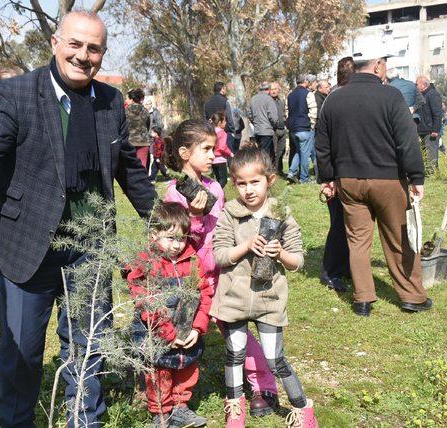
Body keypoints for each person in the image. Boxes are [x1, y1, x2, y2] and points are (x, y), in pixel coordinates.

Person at [0, 10, 156, 427]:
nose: (82, 55)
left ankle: (84, 419)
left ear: (102, 54)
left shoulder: (110, 101)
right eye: (74, 44)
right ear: (55, 43)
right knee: (22, 351)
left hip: (90, 247)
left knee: (88, 345)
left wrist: (160, 218)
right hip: (26, 244)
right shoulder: (18, 93)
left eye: (93, 48)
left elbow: (127, 168)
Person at [163, 119, 280, 418]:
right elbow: (179, 240)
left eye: (214, 148)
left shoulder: (214, 185)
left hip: (224, 268)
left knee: (234, 327)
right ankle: (174, 399)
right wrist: (196, 215)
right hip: (193, 276)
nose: (213, 155)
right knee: (184, 332)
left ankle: (264, 385)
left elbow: (226, 226)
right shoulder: (174, 193)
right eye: (206, 149)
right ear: (185, 153)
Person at [316, 48, 431, 316]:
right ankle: (412, 296)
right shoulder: (391, 95)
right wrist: (416, 176)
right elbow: (407, 140)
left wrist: (327, 178)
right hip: (388, 179)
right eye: (385, 64)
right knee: (398, 238)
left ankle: (363, 299)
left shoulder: (333, 99)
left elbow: (322, 144)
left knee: (357, 240)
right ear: (378, 65)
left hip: (349, 181)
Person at [212, 147, 318, 428]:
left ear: (269, 180)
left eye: (254, 182)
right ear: (234, 183)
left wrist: (280, 253)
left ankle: (302, 410)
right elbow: (219, 255)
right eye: (241, 183)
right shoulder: (230, 214)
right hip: (233, 299)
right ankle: (235, 409)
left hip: (269, 299)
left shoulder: (282, 215)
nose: (248, 190)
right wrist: (245, 246)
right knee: (234, 355)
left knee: (275, 358)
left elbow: (297, 261)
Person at [128, 202, 213, 428]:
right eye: (171, 238)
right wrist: (168, 332)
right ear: (154, 234)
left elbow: (205, 293)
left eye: (182, 238)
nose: (177, 245)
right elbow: (147, 303)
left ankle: (180, 406)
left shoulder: (193, 260)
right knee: (160, 371)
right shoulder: (147, 263)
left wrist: (198, 327)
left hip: (188, 330)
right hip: (158, 332)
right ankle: (161, 412)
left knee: (187, 367)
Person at [319, 57, 355, 293]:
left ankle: (348, 266)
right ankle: (330, 271)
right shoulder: (334, 99)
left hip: (350, 173)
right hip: (337, 175)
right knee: (340, 224)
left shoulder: (346, 96)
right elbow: (323, 144)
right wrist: (328, 178)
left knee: (353, 224)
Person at [286, 75, 315, 184]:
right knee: (305, 154)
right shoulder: (309, 94)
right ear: (306, 82)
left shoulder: (290, 95)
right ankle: (304, 178)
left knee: (298, 151)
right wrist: (312, 125)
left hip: (293, 129)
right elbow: (313, 111)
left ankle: (291, 172)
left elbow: (287, 111)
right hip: (304, 127)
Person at [416, 75, 444, 172]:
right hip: (423, 130)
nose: (416, 86)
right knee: (424, 153)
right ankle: (427, 172)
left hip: (430, 130)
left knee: (431, 154)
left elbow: (437, 113)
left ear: (424, 85)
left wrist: (435, 130)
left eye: (417, 84)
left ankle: (433, 174)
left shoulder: (432, 94)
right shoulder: (422, 95)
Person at [248, 81, 278, 164]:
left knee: (260, 152)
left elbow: (249, 114)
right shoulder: (269, 99)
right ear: (268, 90)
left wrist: (255, 123)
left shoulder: (253, 99)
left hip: (257, 130)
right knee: (266, 154)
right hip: (267, 130)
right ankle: (264, 172)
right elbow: (274, 117)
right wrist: (275, 125)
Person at [204, 82, 238, 152]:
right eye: (225, 88)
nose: (226, 90)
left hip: (212, 133)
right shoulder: (225, 101)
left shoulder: (207, 103)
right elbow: (230, 117)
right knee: (228, 154)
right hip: (225, 132)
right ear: (222, 89)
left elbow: (205, 119)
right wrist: (232, 130)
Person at [126, 87, 151, 169]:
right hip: (143, 141)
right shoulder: (146, 111)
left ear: (132, 98)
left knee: (130, 167)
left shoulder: (125, 111)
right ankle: (142, 181)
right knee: (142, 167)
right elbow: (148, 126)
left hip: (129, 142)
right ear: (141, 98)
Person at [210, 112, 233, 188]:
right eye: (225, 121)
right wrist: (230, 153)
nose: (226, 123)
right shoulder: (222, 133)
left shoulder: (211, 132)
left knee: (218, 179)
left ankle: (218, 195)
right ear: (220, 123)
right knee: (224, 179)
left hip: (213, 159)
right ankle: (215, 193)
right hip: (220, 160)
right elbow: (222, 147)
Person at [269, 82, 287, 176]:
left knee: (281, 151)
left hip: (282, 129)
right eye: (272, 89)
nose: (273, 91)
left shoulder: (280, 101)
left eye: (275, 89)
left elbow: (283, 113)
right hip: (273, 130)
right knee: (273, 151)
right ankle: (273, 171)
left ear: (278, 90)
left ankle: (279, 170)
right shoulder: (268, 101)